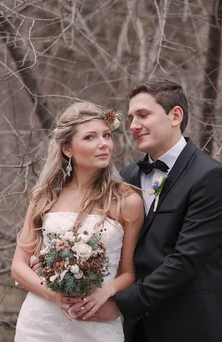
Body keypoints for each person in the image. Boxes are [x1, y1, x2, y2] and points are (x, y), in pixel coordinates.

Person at [68, 79, 222, 342]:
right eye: (132, 117)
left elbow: (186, 260)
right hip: (136, 331)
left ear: (175, 116)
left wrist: (121, 303)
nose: (134, 125)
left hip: (191, 328)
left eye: (144, 115)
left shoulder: (211, 178)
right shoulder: (127, 177)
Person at [12, 102, 144, 342]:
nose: (103, 143)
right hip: (41, 324)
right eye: (90, 137)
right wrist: (53, 296)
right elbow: (19, 267)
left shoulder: (127, 201)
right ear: (67, 148)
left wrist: (106, 292)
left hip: (96, 322)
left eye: (106, 135)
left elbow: (128, 272)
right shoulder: (44, 197)